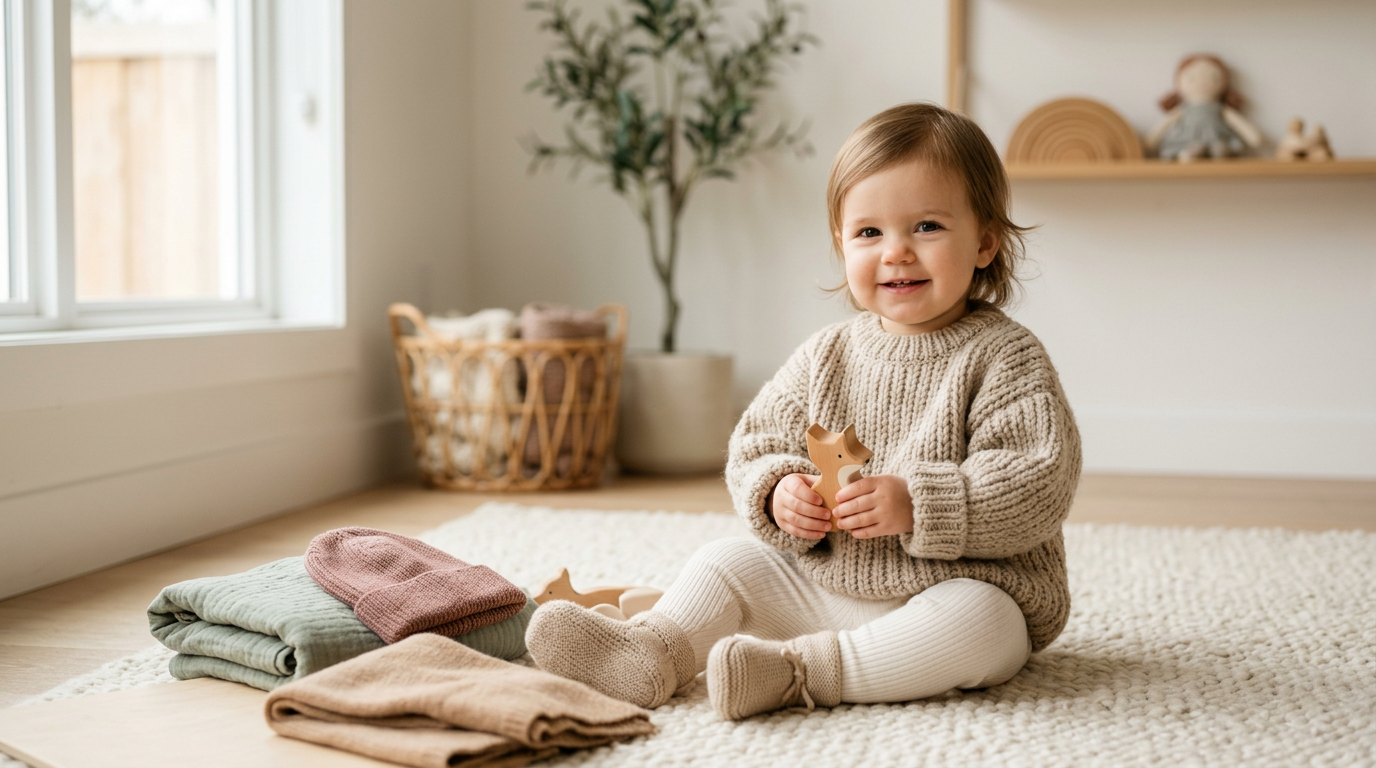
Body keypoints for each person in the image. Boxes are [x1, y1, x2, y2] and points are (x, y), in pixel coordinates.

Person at [525, 102, 1082, 720]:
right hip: (829, 581)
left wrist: (918, 502)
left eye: (926, 226)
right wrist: (777, 492)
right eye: (870, 232)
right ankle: (653, 651)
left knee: (985, 625)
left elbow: (1037, 482)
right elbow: (755, 443)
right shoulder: (828, 354)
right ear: (841, 243)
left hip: (957, 589)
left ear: (984, 242)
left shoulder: (1005, 356)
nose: (895, 252)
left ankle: (798, 673)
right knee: (725, 560)